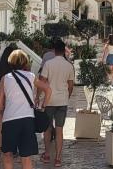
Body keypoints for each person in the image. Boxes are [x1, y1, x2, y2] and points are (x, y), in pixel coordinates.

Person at [0, 49, 51, 169]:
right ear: (25, 62)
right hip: (27, 119)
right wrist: (43, 106)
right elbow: (48, 89)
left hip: (10, 120)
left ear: (11, 62)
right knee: (26, 158)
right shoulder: (31, 76)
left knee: (7, 155)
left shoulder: (5, 78)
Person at [39, 39, 75, 167]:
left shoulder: (48, 64)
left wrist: (38, 97)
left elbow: (42, 81)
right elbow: (71, 85)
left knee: (47, 129)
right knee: (59, 130)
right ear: (64, 50)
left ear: (54, 50)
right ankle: (58, 158)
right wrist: (67, 96)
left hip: (49, 100)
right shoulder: (69, 65)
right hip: (62, 101)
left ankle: (47, 154)